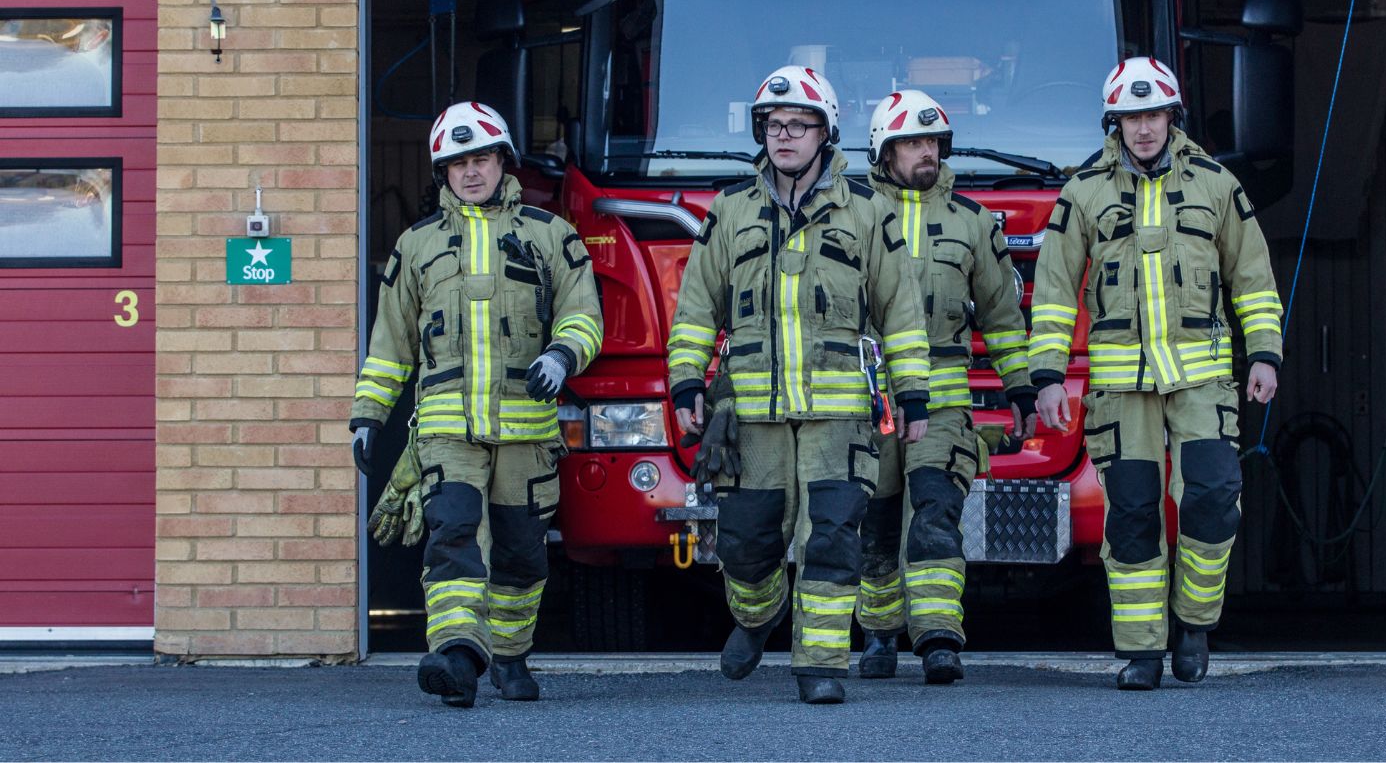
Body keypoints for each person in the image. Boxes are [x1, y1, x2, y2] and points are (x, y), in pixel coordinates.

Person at [667, 66, 931, 704]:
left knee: (833, 539)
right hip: (751, 418)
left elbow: (900, 308)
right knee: (746, 545)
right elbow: (697, 306)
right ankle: (756, 618)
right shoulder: (729, 213)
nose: (783, 136)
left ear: (826, 132)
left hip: (840, 418)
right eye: (773, 125)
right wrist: (684, 383)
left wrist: (913, 393)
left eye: (798, 125)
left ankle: (820, 665)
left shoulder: (869, 211)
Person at [1028, 57, 1282, 690]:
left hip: (1202, 381)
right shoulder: (1082, 191)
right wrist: (1048, 375)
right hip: (1121, 391)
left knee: (1215, 501)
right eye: (1130, 117)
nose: (1143, 128)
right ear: (1114, 123)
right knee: (1133, 517)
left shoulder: (1217, 185)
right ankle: (1141, 649)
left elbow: (1252, 275)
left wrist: (1265, 354)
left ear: (1174, 118)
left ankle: (1194, 622)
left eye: (1153, 115)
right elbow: (1055, 292)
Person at [349, 101, 603, 707]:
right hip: (446, 434)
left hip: (526, 433)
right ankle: (458, 656)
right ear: (442, 172)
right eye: (456, 162)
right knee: (453, 538)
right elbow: (389, 345)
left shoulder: (550, 235)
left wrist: (563, 355)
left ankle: (511, 658)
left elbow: (584, 314)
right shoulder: (416, 247)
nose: (470, 172)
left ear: (502, 161)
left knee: (520, 555)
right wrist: (367, 415)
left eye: (481, 158)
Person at [852, 90, 1036, 685]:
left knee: (936, 513)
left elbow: (1004, 320)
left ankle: (937, 639)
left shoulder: (974, 223)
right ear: (885, 151)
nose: (925, 153)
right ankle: (879, 636)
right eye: (911, 143)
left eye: (932, 142)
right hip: (867, 401)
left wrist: (1022, 391)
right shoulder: (849, 213)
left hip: (944, 403)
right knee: (874, 523)